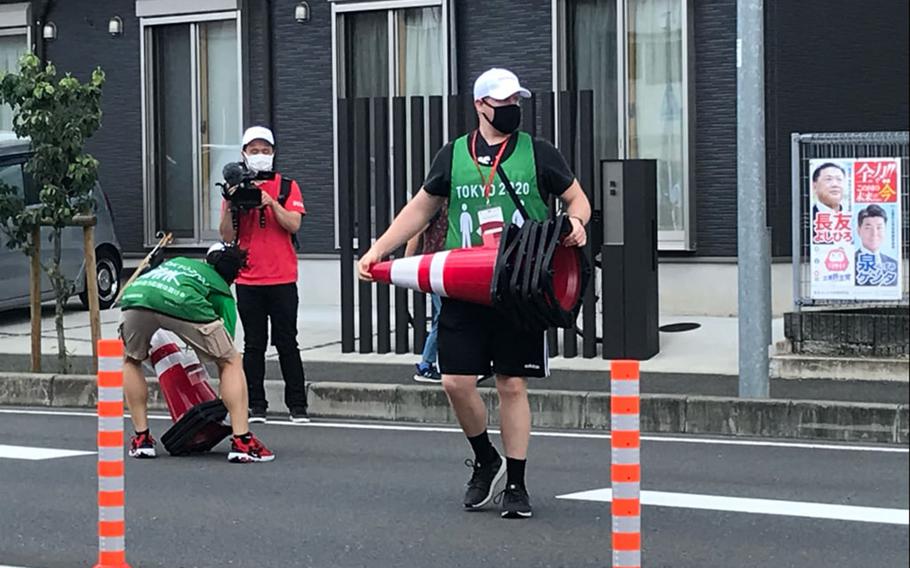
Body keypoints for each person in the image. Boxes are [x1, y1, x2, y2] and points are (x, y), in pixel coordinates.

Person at [358, 68, 591, 519]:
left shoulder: (538, 152)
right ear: (480, 105)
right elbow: (420, 208)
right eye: (502, 102)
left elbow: (577, 199)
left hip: (520, 285)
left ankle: (518, 484)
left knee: (512, 383)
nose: (511, 109)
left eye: (515, 101)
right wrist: (377, 250)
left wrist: (577, 224)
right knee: (455, 381)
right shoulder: (452, 156)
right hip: (463, 280)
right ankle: (486, 458)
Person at [118, 243, 275, 463]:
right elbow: (225, 346)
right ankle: (243, 441)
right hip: (182, 302)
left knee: (131, 359)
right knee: (230, 361)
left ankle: (141, 439)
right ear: (234, 275)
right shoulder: (221, 290)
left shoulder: (181, 263)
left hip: (136, 296)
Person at [220, 126, 309, 424]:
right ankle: (256, 404)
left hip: (282, 277)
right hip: (248, 279)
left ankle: (298, 405)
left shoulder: (287, 186)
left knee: (287, 342)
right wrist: (232, 203)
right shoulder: (236, 187)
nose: (260, 156)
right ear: (244, 154)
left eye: (265, 150)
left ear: (273, 153)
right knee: (253, 345)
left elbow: (293, 224)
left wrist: (270, 203)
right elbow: (227, 234)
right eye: (254, 150)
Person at [406, 202, 448, 383]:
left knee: (445, 316)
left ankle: (434, 363)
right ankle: (426, 364)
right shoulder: (436, 207)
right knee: (443, 317)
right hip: (436, 267)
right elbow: (414, 231)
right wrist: (407, 263)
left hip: (446, 266)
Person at [854, 204, 899, 286]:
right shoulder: (850, 263)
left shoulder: (894, 264)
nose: (874, 234)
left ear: (885, 229)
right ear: (858, 230)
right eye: (868, 228)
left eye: (879, 228)